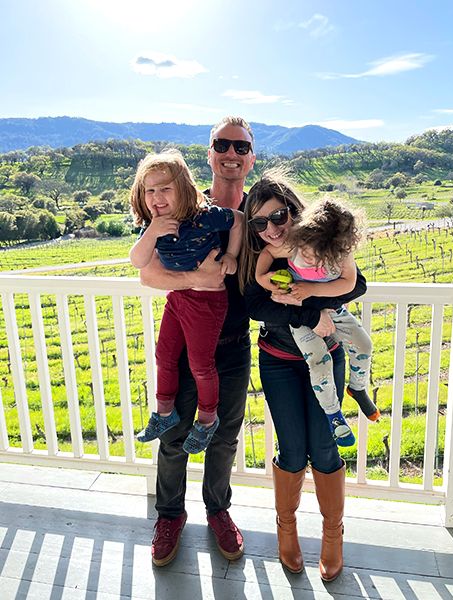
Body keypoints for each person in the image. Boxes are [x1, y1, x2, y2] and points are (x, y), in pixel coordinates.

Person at [239, 170, 367, 581]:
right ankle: (286, 531)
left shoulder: (317, 246)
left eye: (278, 217)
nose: (272, 229)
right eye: (259, 223)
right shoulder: (263, 258)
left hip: (327, 359)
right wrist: (312, 312)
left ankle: (333, 536)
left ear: (295, 211)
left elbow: (356, 284)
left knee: (326, 449)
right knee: (292, 450)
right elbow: (258, 306)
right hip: (278, 361)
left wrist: (312, 296)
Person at [138, 117, 255, 566]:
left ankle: (218, 511)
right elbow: (147, 273)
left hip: (235, 340)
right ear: (209, 154)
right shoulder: (185, 206)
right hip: (190, 338)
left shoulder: (264, 209)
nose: (231, 153)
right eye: (222, 145)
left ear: (250, 157)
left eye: (240, 147)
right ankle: (169, 515)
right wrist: (198, 277)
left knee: (224, 434)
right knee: (174, 431)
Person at [129, 150, 243, 453]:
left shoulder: (204, 217)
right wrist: (152, 232)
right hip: (179, 298)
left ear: (184, 188)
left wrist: (231, 254)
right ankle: (164, 413)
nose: (157, 197)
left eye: (165, 188)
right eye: (149, 190)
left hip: (207, 303)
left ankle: (207, 419)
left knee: (200, 365)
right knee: (163, 355)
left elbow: (239, 220)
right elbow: (138, 261)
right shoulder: (154, 225)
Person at [254, 196, 379, 448]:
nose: (311, 259)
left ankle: (357, 388)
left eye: (320, 256)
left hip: (334, 309)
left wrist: (311, 290)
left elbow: (350, 283)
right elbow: (267, 253)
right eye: (309, 252)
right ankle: (334, 415)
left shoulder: (342, 253)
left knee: (364, 345)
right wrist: (263, 278)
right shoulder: (295, 244)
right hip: (300, 320)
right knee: (319, 361)